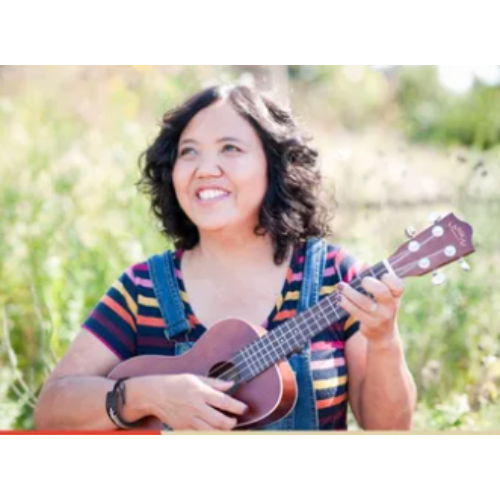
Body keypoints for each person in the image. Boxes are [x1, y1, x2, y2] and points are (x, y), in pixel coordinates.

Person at [34, 85, 416, 431]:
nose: (205, 168)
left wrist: (383, 341)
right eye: (189, 152)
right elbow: (51, 411)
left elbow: (389, 429)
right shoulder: (143, 288)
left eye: (230, 148)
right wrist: (145, 395)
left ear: (275, 166)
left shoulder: (337, 277)